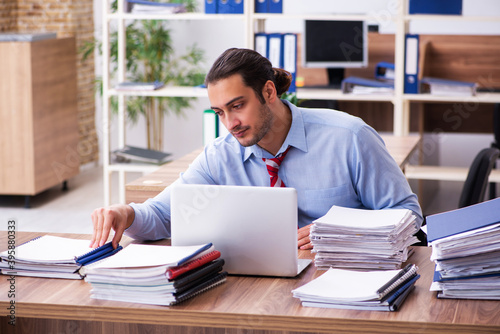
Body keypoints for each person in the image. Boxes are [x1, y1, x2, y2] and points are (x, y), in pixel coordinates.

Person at [90, 48, 423, 251]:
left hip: (345, 281)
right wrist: (127, 213)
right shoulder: (220, 156)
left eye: (237, 106)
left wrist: (339, 231)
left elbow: (408, 216)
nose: (230, 123)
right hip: (261, 289)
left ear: (268, 92)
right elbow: (166, 215)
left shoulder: (349, 138)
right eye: (220, 112)